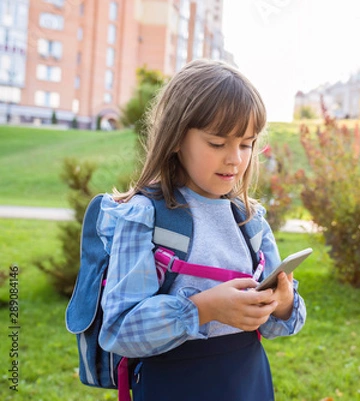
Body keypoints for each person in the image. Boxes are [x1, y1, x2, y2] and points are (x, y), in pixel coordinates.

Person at [96, 59, 306, 401]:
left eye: (246, 143)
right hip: (175, 384)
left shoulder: (251, 221)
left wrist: (281, 302)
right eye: (217, 143)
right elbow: (120, 330)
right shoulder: (146, 216)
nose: (235, 159)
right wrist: (202, 309)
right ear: (177, 138)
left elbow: (280, 323)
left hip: (248, 382)